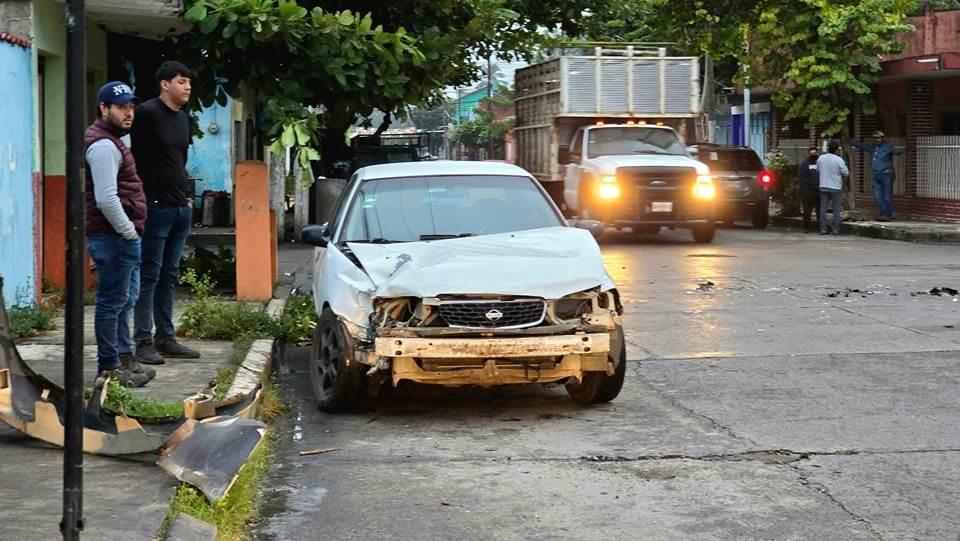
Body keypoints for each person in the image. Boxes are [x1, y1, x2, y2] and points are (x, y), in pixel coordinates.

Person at [85, 82, 156, 387]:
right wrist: (128, 232)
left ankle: (125, 357)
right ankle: (109, 367)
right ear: (104, 108)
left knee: (126, 300)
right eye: (121, 107)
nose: (129, 113)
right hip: (114, 237)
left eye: (131, 107)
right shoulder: (103, 146)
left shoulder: (114, 140)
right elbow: (106, 198)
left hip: (122, 237)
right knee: (112, 302)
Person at [131, 61, 201, 364]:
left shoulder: (183, 118)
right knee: (149, 274)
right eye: (181, 81)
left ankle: (166, 337)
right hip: (154, 206)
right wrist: (140, 200)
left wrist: (186, 198)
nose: (186, 87)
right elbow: (132, 158)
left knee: (169, 275)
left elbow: (179, 161)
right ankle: (143, 341)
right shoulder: (145, 114)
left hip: (179, 207)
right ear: (164, 84)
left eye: (188, 82)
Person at [850, 130, 902, 221]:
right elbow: (861, 145)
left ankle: (886, 214)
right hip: (876, 175)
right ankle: (884, 213)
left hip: (886, 174)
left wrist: (900, 151)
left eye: (878, 138)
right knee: (878, 196)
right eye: (874, 138)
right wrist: (851, 141)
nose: (876, 140)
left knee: (886, 195)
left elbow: (896, 152)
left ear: (882, 138)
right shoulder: (872, 147)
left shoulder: (888, 147)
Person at [817, 140, 849, 235]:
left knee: (823, 208)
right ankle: (836, 229)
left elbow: (818, 169)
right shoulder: (838, 159)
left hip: (823, 185)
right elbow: (846, 173)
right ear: (836, 150)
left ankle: (823, 228)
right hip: (835, 187)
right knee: (836, 208)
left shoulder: (821, 158)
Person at [796, 146, 820, 233]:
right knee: (807, 210)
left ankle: (820, 227)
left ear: (817, 153)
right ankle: (806, 227)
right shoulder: (804, 164)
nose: (813, 154)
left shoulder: (821, 163)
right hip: (808, 191)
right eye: (811, 153)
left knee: (820, 210)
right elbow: (801, 178)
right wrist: (803, 190)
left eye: (815, 153)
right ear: (809, 153)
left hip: (818, 190)